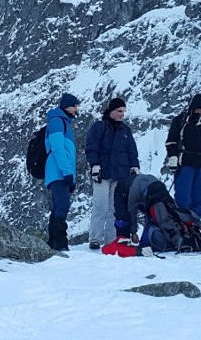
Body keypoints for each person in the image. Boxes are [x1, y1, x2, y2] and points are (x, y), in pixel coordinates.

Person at [103, 173, 201, 257]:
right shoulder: (135, 191)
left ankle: (134, 243)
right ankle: (122, 240)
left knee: (156, 216)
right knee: (123, 218)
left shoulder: (158, 191)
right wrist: (133, 232)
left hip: (147, 191)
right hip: (121, 191)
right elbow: (132, 211)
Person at [85, 97, 140, 249]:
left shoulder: (126, 131)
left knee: (114, 209)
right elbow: (91, 147)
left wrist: (135, 167)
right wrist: (95, 166)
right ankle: (95, 238)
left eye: (124, 111)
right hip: (102, 174)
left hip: (120, 176)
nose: (122, 114)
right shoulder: (99, 127)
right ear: (112, 111)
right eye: (119, 111)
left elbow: (131, 151)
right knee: (100, 206)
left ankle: (110, 239)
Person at [164, 94, 201, 217]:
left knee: (199, 197)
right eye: (200, 108)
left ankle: (195, 225)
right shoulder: (180, 121)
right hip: (185, 163)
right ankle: (182, 225)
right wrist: (173, 158)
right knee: (183, 199)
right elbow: (171, 141)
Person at [44, 93, 80, 251]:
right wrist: (67, 172)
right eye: (74, 106)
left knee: (59, 206)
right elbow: (57, 148)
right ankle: (60, 243)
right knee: (62, 206)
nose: (76, 109)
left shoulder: (62, 122)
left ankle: (53, 243)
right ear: (66, 106)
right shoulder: (57, 122)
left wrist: (71, 176)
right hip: (58, 172)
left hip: (59, 172)